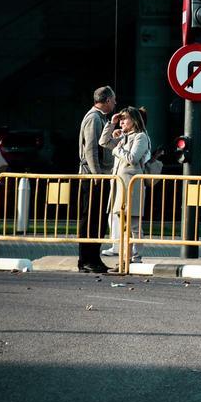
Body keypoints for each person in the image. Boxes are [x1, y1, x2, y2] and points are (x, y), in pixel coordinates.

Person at [102, 107, 152, 261]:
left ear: (134, 120)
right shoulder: (124, 136)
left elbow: (132, 158)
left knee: (134, 223)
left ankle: (136, 256)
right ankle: (125, 257)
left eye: (125, 119)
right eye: (121, 119)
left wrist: (117, 149)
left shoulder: (140, 137)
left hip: (132, 185)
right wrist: (112, 123)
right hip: (119, 185)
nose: (122, 122)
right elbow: (103, 141)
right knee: (122, 222)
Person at [76, 86, 117, 274]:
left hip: (98, 175)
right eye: (113, 100)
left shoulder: (100, 118)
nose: (115, 103)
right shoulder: (94, 118)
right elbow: (90, 149)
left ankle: (93, 258)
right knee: (91, 217)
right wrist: (96, 175)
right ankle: (86, 259)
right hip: (94, 176)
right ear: (107, 100)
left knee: (98, 218)